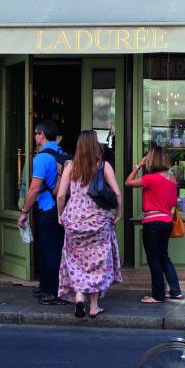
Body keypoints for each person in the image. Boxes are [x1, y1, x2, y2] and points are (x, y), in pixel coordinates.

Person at [56, 130, 122, 318]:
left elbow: (61, 195)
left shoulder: (70, 166)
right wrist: (118, 213)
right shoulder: (103, 165)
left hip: (74, 218)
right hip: (98, 219)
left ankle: (78, 296)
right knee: (96, 262)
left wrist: (60, 214)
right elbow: (117, 193)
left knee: (75, 260)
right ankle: (93, 306)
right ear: (96, 145)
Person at [125, 143, 183, 303]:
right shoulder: (172, 179)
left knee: (154, 259)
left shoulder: (151, 178)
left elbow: (128, 182)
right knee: (164, 257)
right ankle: (176, 291)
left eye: (149, 158)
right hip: (166, 222)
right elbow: (172, 203)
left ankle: (157, 295)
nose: (147, 160)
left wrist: (138, 165)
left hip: (153, 223)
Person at [19, 120, 68, 306]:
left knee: (48, 250)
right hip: (61, 207)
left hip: (46, 208)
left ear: (41, 134)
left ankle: (50, 291)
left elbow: (34, 189)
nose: (35, 137)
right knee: (55, 249)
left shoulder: (41, 158)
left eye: (35, 134)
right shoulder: (62, 154)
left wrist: (24, 211)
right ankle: (48, 286)